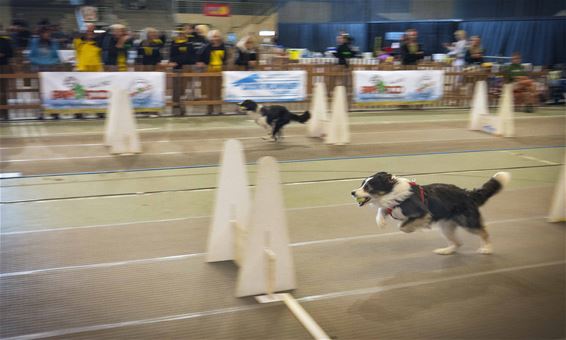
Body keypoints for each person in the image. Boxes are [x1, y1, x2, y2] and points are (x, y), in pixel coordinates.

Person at [197, 30, 226, 114]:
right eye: (213, 36)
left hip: (220, 70)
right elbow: (198, 55)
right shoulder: (206, 46)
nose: (215, 38)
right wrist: (201, 62)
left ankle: (219, 109)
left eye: (217, 36)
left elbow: (225, 58)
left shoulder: (223, 46)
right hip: (209, 70)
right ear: (210, 38)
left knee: (219, 90)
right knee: (209, 90)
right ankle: (210, 109)